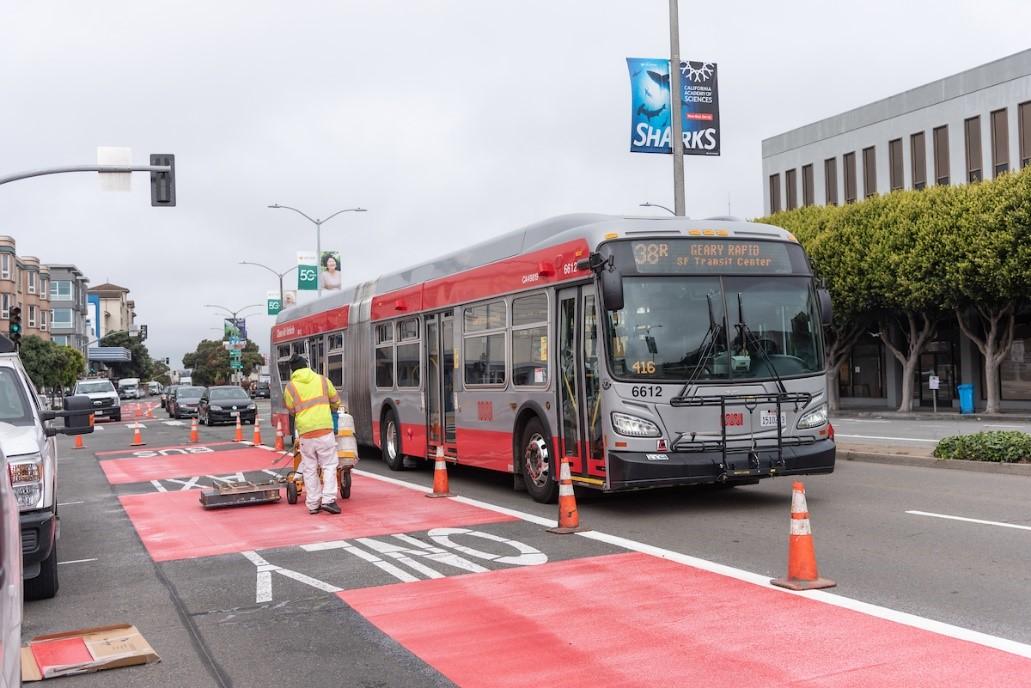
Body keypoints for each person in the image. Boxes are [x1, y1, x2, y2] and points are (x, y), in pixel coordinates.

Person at [282, 354, 342, 514]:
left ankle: (313, 504)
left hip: (305, 433)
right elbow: (336, 400)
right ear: (306, 365)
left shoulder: (290, 387)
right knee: (329, 465)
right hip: (324, 429)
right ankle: (328, 500)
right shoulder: (322, 380)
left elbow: (291, 409)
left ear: (293, 370)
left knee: (309, 468)